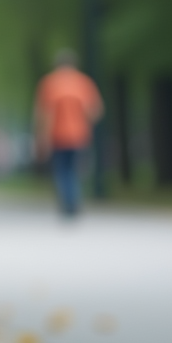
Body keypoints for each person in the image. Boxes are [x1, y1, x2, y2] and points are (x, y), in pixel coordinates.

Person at [33, 49, 103, 217]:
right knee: (74, 169)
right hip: (79, 135)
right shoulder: (84, 82)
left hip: (57, 135)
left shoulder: (49, 82)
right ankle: (74, 201)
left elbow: (44, 113)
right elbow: (96, 111)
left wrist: (42, 137)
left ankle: (67, 202)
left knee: (62, 170)